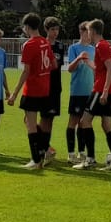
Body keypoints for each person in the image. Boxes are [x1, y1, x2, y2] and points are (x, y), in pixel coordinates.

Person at [9, 12, 55, 170]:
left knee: (30, 125)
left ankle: (36, 160)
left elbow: (26, 71)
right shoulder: (45, 42)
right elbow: (53, 65)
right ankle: (45, 151)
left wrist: (14, 93)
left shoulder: (29, 44)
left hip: (33, 89)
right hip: (45, 88)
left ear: (27, 27)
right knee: (32, 121)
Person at [78, 19, 111, 170]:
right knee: (106, 124)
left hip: (100, 89)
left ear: (93, 31)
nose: (87, 34)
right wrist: (87, 61)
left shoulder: (101, 46)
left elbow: (110, 69)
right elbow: (101, 68)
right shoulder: (105, 45)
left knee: (85, 121)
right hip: (107, 89)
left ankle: (90, 158)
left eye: (88, 31)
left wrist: (104, 91)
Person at [64, 23, 95, 164]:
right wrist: (79, 58)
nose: (89, 35)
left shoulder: (93, 49)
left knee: (84, 122)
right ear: (81, 32)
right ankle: (71, 153)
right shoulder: (73, 48)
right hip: (77, 91)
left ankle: (82, 152)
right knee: (73, 121)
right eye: (87, 32)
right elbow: (70, 69)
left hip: (90, 91)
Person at [41, 17, 63, 162]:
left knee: (50, 119)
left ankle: (46, 148)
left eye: (57, 29)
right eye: (52, 29)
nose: (55, 32)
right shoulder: (42, 44)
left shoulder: (60, 46)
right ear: (46, 30)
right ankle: (43, 148)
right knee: (43, 118)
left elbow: (58, 65)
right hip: (43, 86)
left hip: (55, 86)